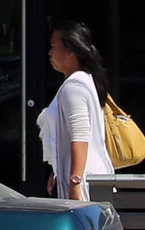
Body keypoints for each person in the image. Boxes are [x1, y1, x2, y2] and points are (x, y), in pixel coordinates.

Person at [39, 21, 112, 201]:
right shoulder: (84, 81)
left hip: (86, 184)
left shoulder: (74, 87)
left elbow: (80, 136)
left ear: (70, 51)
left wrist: (75, 182)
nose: (49, 52)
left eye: (53, 47)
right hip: (93, 180)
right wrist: (57, 168)